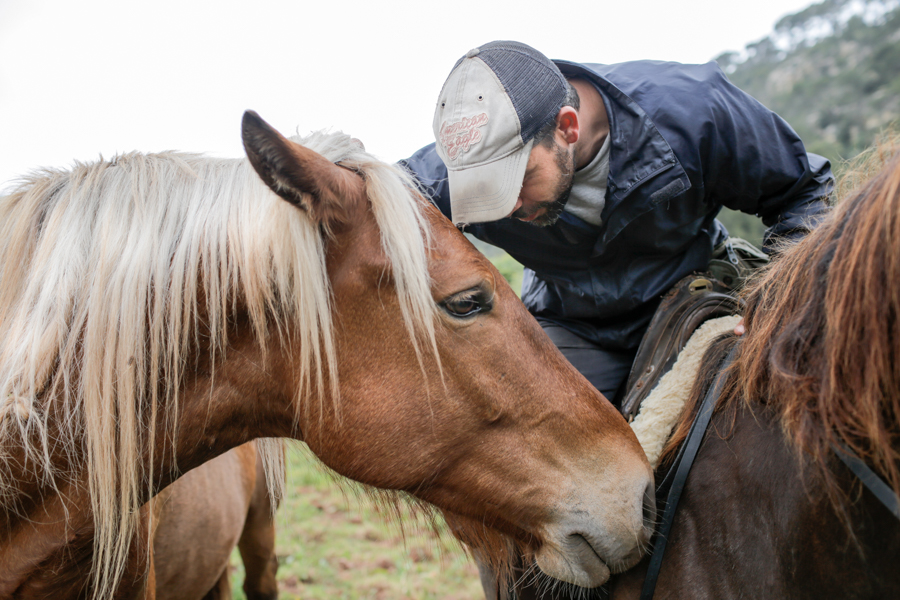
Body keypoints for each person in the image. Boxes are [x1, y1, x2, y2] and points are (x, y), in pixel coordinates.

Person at [401, 41, 832, 409]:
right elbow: (361, 205)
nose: (508, 205)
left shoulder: (694, 111)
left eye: (520, 179)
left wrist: (781, 300)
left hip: (691, 294)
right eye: (486, 190)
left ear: (567, 127)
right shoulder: (443, 178)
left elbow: (803, 191)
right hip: (572, 320)